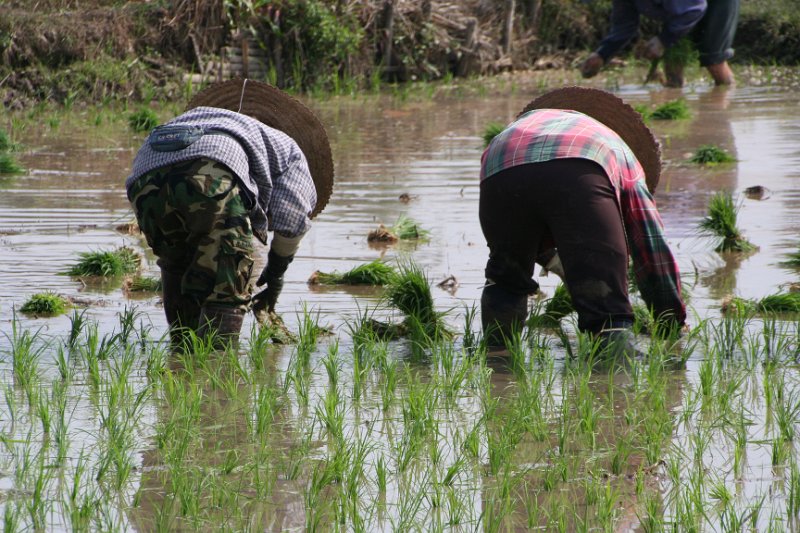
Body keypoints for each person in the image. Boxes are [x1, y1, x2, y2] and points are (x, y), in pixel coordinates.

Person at [126, 79, 334, 348]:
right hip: (211, 172)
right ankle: (217, 376)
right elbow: (291, 219)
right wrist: (275, 274)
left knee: (176, 265)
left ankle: (181, 360)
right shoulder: (287, 147)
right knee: (228, 283)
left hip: (144, 177)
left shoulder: (204, 119)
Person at [479, 86, 686, 356]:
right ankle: (611, 389)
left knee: (506, 278)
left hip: (500, 165)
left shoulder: (519, 129)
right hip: (579, 170)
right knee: (608, 313)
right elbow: (650, 244)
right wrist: (670, 321)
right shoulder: (617, 148)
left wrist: (563, 264)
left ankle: (497, 369)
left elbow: (533, 223)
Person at [580, 0, 738, 87]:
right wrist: (601, 54)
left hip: (715, 5)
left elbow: (693, 10)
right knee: (673, 67)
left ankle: (724, 103)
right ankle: (677, 121)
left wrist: (663, 40)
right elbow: (625, 27)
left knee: (713, 60)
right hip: (681, 13)